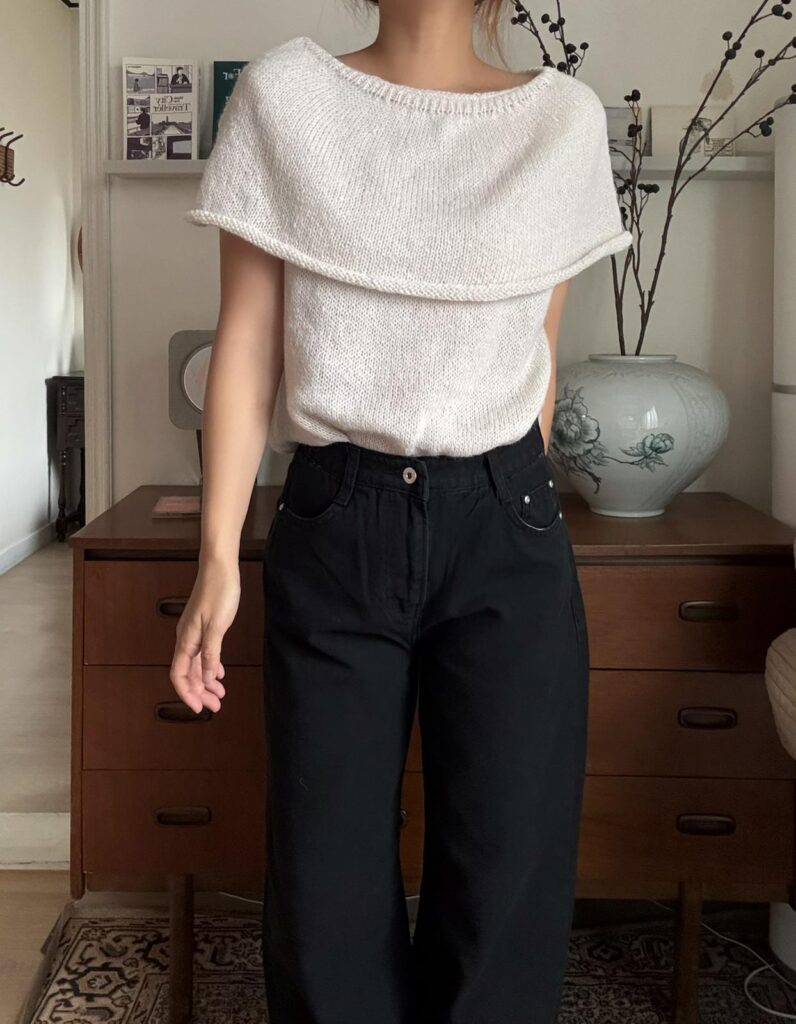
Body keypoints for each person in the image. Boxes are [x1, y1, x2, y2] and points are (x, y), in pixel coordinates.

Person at [173, 2, 632, 1021]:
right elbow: (246, 343)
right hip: (336, 516)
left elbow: (538, 350)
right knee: (323, 873)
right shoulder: (285, 98)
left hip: (505, 519)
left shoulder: (560, 121)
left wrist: (512, 499)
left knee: (506, 868)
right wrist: (217, 556)